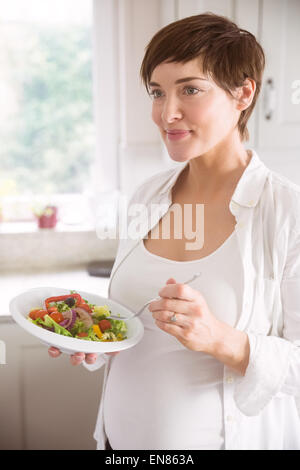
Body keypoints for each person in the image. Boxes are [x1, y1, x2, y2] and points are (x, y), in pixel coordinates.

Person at [49, 12, 300, 450]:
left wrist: (224, 341)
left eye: (190, 89)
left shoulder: (286, 211)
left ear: (243, 93)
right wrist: (94, 337)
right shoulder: (147, 196)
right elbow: (133, 325)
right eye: (157, 92)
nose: (168, 112)